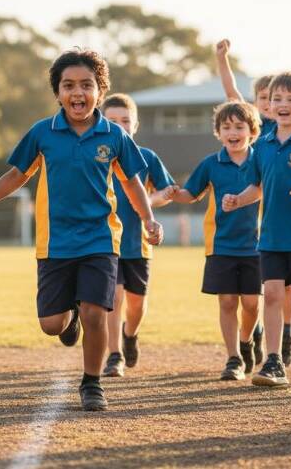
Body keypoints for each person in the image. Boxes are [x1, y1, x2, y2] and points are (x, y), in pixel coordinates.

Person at [0, 48, 163, 411]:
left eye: (86, 85)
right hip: (54, 243)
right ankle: (69, 324)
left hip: (100, 239)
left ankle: (92, 383)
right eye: (68, 85)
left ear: (99, 90)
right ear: (57, 93)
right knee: (52, 324)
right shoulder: (43, 133)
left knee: (96, 312)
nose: (77, 93)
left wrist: (148, 218)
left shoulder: (114, 136)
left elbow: (132, 181)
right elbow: (15, 175)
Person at [216, 39, 291, 366]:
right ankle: (272, 351)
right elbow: (231, 95)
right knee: (275, 291)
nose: (273, 103)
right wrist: (222, 59)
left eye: (283, 98)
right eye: (268, 98)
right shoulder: (260, 137)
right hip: (270, 231)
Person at [172, 101, 262, 380]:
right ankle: (233, 357)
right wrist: (173, 192)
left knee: (251, 304)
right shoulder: (211, 164)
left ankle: (246, 340)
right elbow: (190, 193)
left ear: (252, 131)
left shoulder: (261, 160)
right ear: (218, 132)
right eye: (226, 127)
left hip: (257, 245)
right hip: (221, 244)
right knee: (226, 302)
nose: (232, 132)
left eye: (239, 126)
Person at [100, 93, 176, 377]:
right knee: (114, 297)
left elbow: (166, 193)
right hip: (106, 242)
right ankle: (115, 354)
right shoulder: (99, 155)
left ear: (135, 124)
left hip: (138, 243)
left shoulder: (147, 157)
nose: (119, 126)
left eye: (125, 120)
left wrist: (147, 203)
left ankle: (130, 335)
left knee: (136, 304)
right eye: (112, 121)